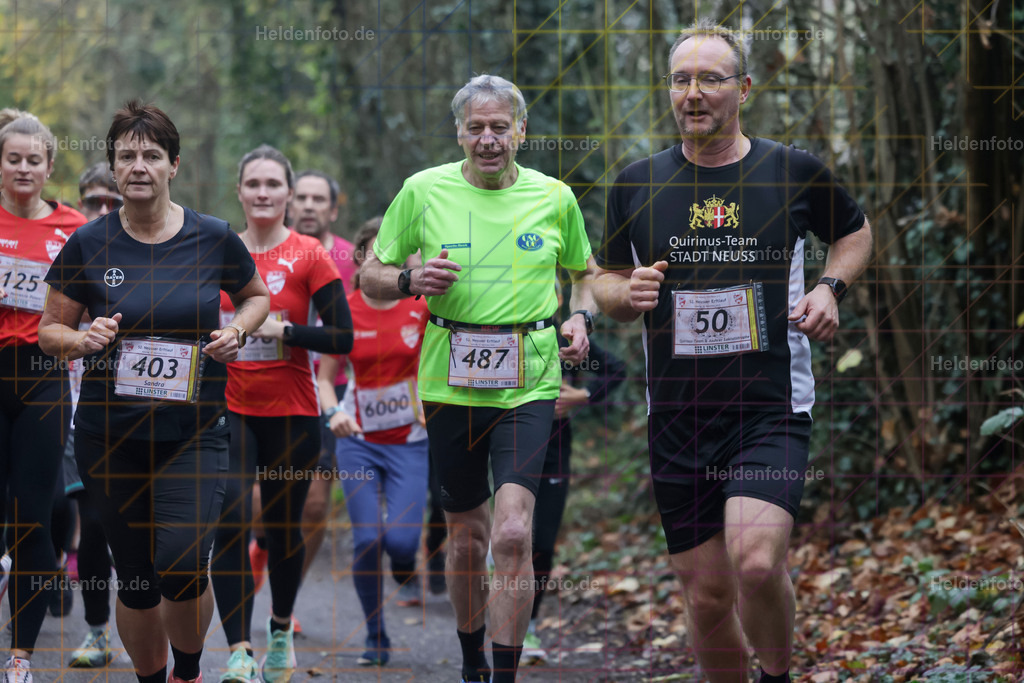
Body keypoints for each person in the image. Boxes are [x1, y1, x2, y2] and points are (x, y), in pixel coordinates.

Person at [593, 19, 873, 683]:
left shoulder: (790, 170)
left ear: (743, 88)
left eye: (710, 79)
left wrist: (830, 287)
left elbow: (855, 233)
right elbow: (602, 281)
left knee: (755, 561)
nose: (693, 93)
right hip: (678, 416)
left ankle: (775, 674)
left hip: (770, 409)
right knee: (708, 594)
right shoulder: (637, 182)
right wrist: (624, 291)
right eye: (681, 80)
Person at [360, 74, 599, 683]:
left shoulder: (555, 197)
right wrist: (410, 281)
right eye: (476, 128)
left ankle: (504, 674)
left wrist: (580, 316)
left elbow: (585, 274)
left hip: (530, 380)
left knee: (513, 533)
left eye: (499, 127)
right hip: (450, 383)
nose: (488, 139)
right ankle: (472, 664)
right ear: (459, 133)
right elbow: (370, 274)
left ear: (522, 131)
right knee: (467, 538)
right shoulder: (423, 190)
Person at [38, 100, 271, 683]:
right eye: (126, 156)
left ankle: (187, 671)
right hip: (109, 437)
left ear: (173, 165)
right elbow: (49, 331)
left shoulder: (212, 236)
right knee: (138, 578)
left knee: (182, 562)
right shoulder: (88, 243)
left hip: (192, 432)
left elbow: (256, 297)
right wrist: (83, 337)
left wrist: (238, 332)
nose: (138, 166)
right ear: (113, 167)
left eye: (151, 155)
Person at [210, 145, 352, 683]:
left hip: (292, 412)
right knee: (230, 519)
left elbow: (342, 336)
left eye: (273, 184)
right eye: (253, 184)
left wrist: (284, 330)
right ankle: (239, 649)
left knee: (281, 525)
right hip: (228, 406)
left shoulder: (309, 254)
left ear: (288, 194)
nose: (263, 193)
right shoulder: (218, 249)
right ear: (239, 191)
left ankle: (280, 627)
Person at [316, 218, 429, 666]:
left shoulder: (423, 307)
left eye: (401, 252)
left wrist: (433, 403)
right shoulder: (343, 310)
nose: (392, 260)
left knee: (400, 543)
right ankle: (376, 636)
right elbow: (325, 380)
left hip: (410, 440)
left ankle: (404, 562)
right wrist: (334, 413)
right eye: (380, 251)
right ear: (362, 259)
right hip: (358, 439)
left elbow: (442, 364)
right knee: (366, 539)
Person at [0, 108, 88, 683]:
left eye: (34, 160)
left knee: (32, 519)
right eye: (13, 159)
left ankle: (20, 658)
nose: (24, 168)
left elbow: (100, 296)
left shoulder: (75, 228)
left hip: (44, 377)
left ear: (50, 166)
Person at [522, 285, 626, 665]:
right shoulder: (497, 331)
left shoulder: (563, 336)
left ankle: (528, 626)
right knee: (510, 535)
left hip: (553, 450)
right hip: (506, 447)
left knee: (543, 543)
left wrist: (582, 396)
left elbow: (616, 370)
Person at [57, 161, 124, 667]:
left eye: (112, 202)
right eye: (92, 201)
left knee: (148, 531)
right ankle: (98, 631)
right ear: (79, 204)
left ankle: (155, 629)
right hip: (83, 414)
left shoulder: (155, 252)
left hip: (147, 414)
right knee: (95, 523)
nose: (102, 209)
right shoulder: (70, 254)